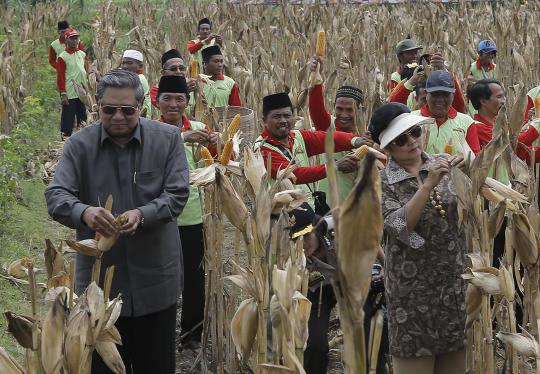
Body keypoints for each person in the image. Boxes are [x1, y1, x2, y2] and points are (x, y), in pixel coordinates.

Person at [45, 69, 190, 374]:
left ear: (142, 107)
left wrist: (142, 213)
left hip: (155, 283)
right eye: (109, 110)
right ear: (97, 105)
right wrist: (85, 212)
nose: (118, 117)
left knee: (156, 366)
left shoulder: (167, 140)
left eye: (128, 110)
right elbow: (56, 195)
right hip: (100, 290)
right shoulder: (78, 146)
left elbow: (177, 195)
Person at [369, 102, 467, 374]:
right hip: (412, 293)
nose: (412, 141)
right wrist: (428, 185)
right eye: (401, 139)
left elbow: (469, 211)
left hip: (452, 285)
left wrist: (471, 171)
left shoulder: (441, 163)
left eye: (414, 132)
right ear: (387, 148)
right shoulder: (381, 181)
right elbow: (399, 227)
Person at [156, 75, 217, 351]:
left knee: (194, 278)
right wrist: (182, 136)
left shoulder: (200, 127)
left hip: (193, 214)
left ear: (187, 101)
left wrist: (214, 143)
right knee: (159, 276)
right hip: (158, 216)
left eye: (179, 99)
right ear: (157, 102)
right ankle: (157, 333)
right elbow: (153, 152)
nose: (173, 104)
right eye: (167, 98)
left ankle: (192, 334)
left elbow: (214, 164)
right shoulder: (148, 129)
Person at [289, 204, 387, 374]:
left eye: (307, 237)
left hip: (349, 283)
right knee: (313, 344)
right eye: (296, 239)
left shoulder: (338, 228)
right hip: (317, 291)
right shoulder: (290, 251)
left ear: (317, 230)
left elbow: (370, 237)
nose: (303, 244)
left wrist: (386, 265)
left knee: (366, 336)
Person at [253, 92, 370, 210]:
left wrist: (356, 141)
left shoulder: (297, 136)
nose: (283, 120)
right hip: (283, 213)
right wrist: (333, 166)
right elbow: (295, 175)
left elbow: (326, 138)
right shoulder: (262, 148)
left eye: (287, 115)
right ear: (264, 121)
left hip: (308, 207)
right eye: (276, 116)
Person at [411, 70, 481, 156]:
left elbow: (476, 159)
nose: (440, 99)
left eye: (445, 94)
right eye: (435, 94)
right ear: (426, 94)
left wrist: (466, 160)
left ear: (453, 95)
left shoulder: (467, 122)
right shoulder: (411, 119)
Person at [469, 79, 540, 164]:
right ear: (483, 101)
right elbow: (509, 147)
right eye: (499, 97)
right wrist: (537, 125)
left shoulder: (501, 125)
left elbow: (521, 154)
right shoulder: (478, 127)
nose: (503, 101)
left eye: (504, 96)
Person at [389, 53, 466, 113]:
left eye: (435, 95)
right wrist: (412, 80)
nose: (431, 102)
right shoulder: (412, 118)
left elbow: (460, 107)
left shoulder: (449, 116)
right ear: (416, 99)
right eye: (424, 100)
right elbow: (393, 106)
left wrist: (445, 72)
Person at [56, 28, 89, 138]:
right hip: (70, 93)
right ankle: (64, 141)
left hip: (82, 92)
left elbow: (86, 70)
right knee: (68, 119)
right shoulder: (62, 57)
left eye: (76, 38)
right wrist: (63, 94)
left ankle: (82, 141)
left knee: (83, 118)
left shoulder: (82, 54)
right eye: (72, 38)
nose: (75, 41)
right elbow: (60, 77)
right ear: (66, 40)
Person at [149, 49, 198, 118]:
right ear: (163, 73)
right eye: (173, 69)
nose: (178, 72)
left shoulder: (194, 86)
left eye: (181, 68)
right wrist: (184, 91)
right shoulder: (155, 92)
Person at [466, 40, 497, 116]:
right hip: (475, 108)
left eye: (492, 53)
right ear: (480, 54)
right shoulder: (472, 68)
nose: (490, 55)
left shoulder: (496, 69)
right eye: (487, 53)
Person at [121, 50, 151, 117]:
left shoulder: (139, 78)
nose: (125, 66)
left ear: (140, 66)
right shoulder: (134, 77)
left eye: (129, 63)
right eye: (123, 63)